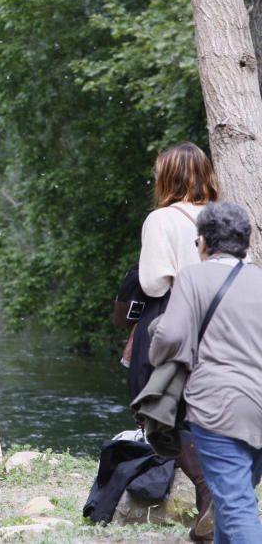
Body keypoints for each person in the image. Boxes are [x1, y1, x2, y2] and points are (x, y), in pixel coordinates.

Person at [149, 201, 262, 543]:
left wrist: (157, 353)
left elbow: (169, 335)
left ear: (203, 242)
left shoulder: (193, 277)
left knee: (236, 502)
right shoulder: (259, 279)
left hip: (218, 406)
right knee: (230, 499)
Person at [129, 141, 217, 540]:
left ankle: (208, 490)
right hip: (219, 318)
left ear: (170, 175)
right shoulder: (221, 214)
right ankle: (207, 523)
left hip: (172, 312)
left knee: (158, 406)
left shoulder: (161, 219)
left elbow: (151, 281)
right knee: (205, 414)